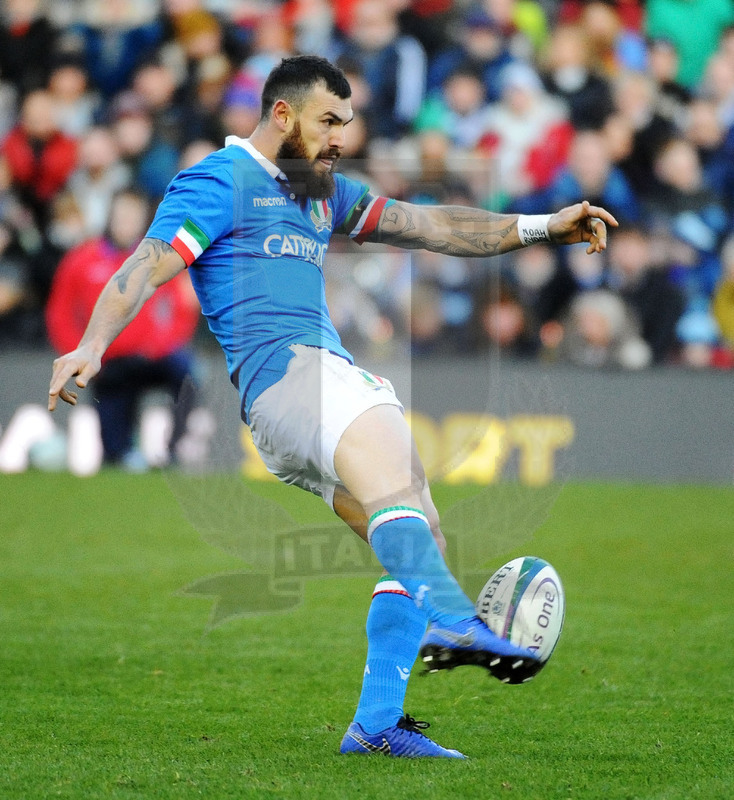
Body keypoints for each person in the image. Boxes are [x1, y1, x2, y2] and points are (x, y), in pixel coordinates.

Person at [48, 55, 617, 759]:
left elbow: (430, 226)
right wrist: (92, 344)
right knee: (397, 471)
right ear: (281, 115)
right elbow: (147, 263)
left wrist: (539, 228)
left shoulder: (321, 192)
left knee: (421, 536)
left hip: (295, 406)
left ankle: (376, 724)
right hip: (296, 379)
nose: (338, 137)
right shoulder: (219, 181)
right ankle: (455, 620)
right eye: (327, 122)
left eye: (344, 123)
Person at [46, 189, 200, 470]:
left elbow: (180, 310)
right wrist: (81, 352)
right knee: (113, 455)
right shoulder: (82, 259)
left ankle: (173, 450)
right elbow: (60, 313)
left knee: (187, 371)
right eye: (122, 215)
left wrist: (161, 344)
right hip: (109, 363)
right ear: (110, 216)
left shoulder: (158, 258)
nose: (126, 222)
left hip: (152, 357)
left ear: (144, 220)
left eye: (133, 216)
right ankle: (119, 454)